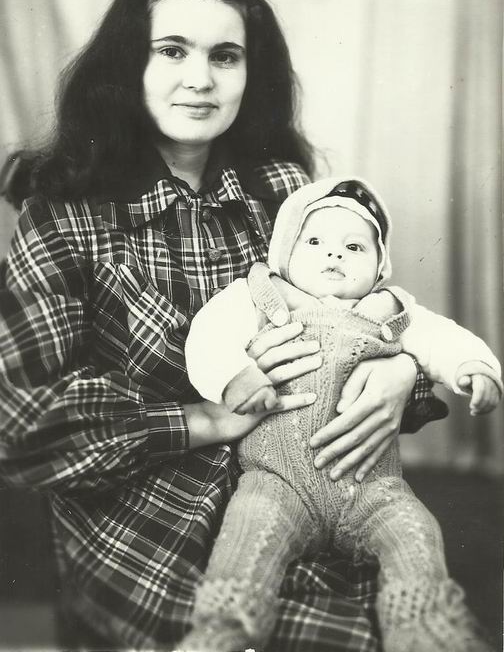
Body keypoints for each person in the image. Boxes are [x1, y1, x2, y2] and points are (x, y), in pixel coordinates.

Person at [0, 0, 445, 651]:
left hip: (300, 490)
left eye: (225, 56)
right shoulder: (65, 215)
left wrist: (403, 374)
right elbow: (24, 428)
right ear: (128, 63)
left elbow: (363, 320)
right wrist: (206, 419)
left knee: (405, 628)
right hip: (144, 523)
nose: (200, 79)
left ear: (249, 71)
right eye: (172, 50)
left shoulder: (283, 195)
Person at [182, 176, 502, 652]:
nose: (334, 254)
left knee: (416, 533)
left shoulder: (389, 310)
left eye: (354, 247)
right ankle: (224, 628)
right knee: (247, 534)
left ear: (378, 268)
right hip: (278, 480)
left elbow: (444, 338)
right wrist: (235, 377)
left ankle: (424, 627)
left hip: (373, 487)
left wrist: (473, 367)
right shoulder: (261, 296)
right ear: (286, 255)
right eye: (314, 242)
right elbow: (209, 336)